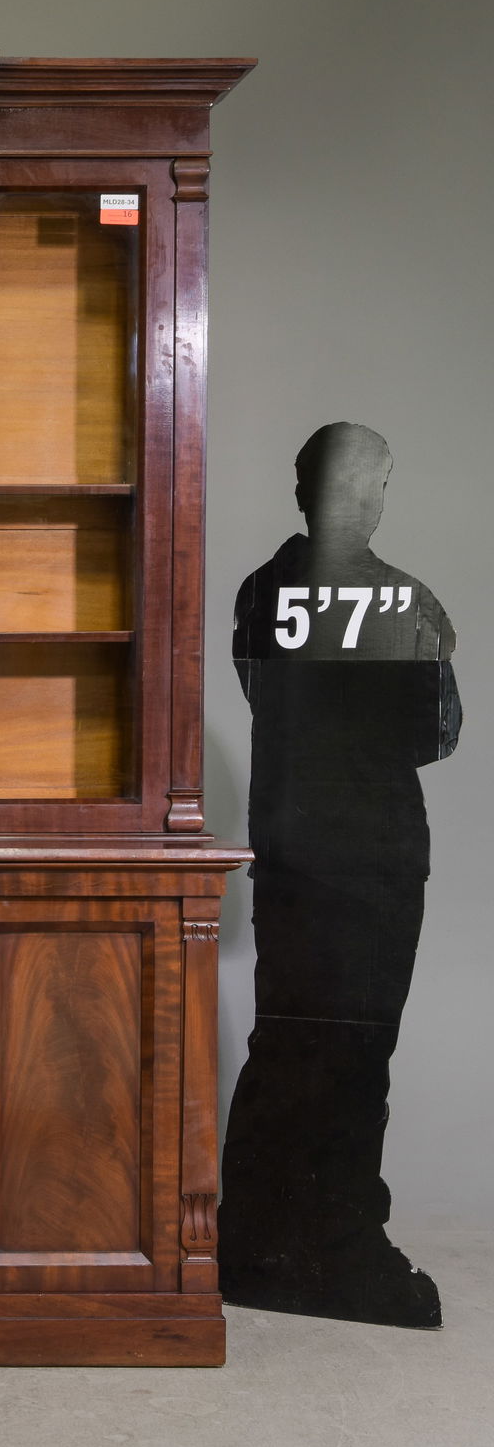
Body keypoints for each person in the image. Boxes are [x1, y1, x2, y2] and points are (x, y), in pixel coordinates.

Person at [218, 422, 460, 1327]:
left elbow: (263, 691)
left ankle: (259, 1242)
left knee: (286, 1042)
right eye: (370, 483)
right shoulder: (409, 601)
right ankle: (342, 1249)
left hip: (291, 850)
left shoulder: (260, 591)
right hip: (375, 857)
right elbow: (435, 735)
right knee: (356, 1050)